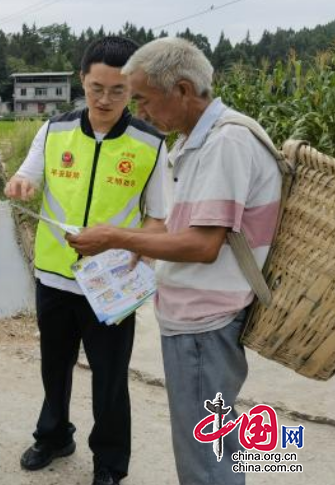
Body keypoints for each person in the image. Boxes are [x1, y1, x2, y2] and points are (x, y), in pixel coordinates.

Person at [68, 37, 283, 485]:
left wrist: (113, 235)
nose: (140, 111)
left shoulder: (227, 143)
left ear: (182, 90)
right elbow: (186, 229)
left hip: (204, 324)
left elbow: (203, 245)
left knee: (204, 456)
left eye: (143, 99)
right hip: (194, 319)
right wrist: (140, 243)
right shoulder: (196, 142)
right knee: (211, 443)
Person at [4, 37, 168, 485]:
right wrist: (20, 184)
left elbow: (159, 220)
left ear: (133, 87)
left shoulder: (150, 144)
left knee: (110, 381)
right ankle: (54, 436)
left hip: (111, 285)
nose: (105, 99)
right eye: (97, 87)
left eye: (118, 90)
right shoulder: (55, 130)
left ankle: (110, 463)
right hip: (55, 277)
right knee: (53, 368)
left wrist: (127, 245)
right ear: (82, 80)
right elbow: (28, 176)